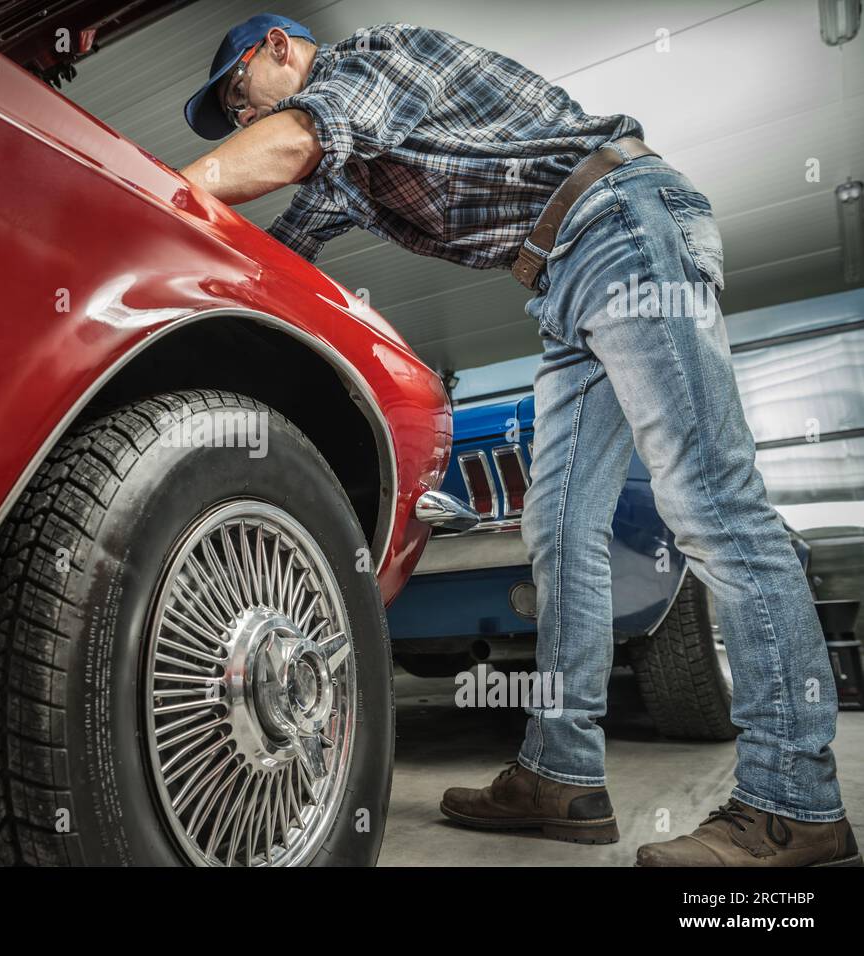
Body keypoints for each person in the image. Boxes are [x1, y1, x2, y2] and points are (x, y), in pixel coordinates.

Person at [178, 14, 857, 866]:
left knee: (711, 504)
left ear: (280, 47)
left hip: (626, 226)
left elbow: (296, 140)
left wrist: (160, 198)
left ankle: (795, 800)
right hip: (569, 279)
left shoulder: (374, 61)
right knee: (562, 533)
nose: (244, 118)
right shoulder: (356, 169)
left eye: (242, 96)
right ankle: (562, 774)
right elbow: (276, 247)